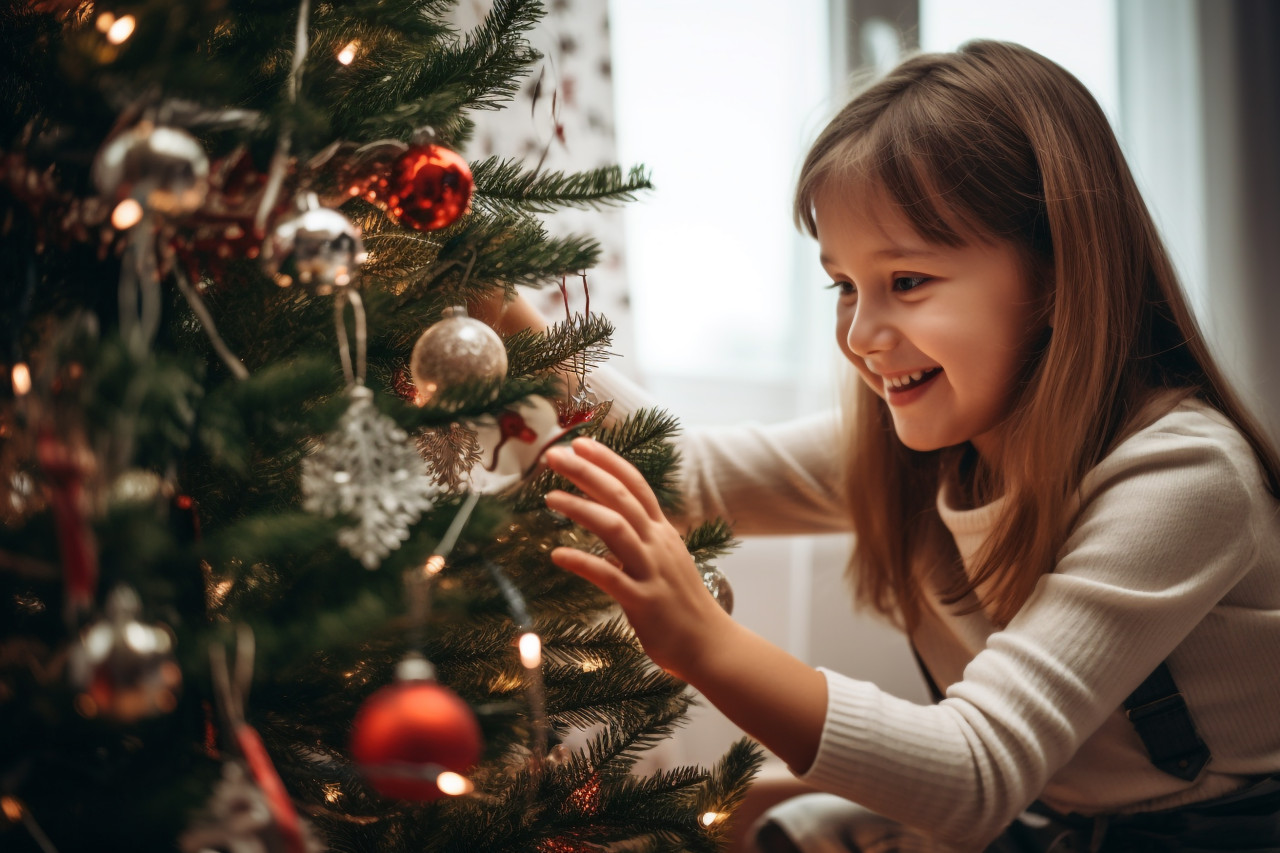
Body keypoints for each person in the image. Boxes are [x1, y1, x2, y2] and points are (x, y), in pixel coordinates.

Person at [477, 40, 1280, 851]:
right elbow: (687, 474)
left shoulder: (1183, 475)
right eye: (844, 286)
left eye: (907, 282)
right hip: (1054, 822)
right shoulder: (928, 447)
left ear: (1053, 277)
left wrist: (704, 643)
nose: (861, 336)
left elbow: (974, 773)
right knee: (797, 829)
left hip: (1211, 833)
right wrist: (502, 309)